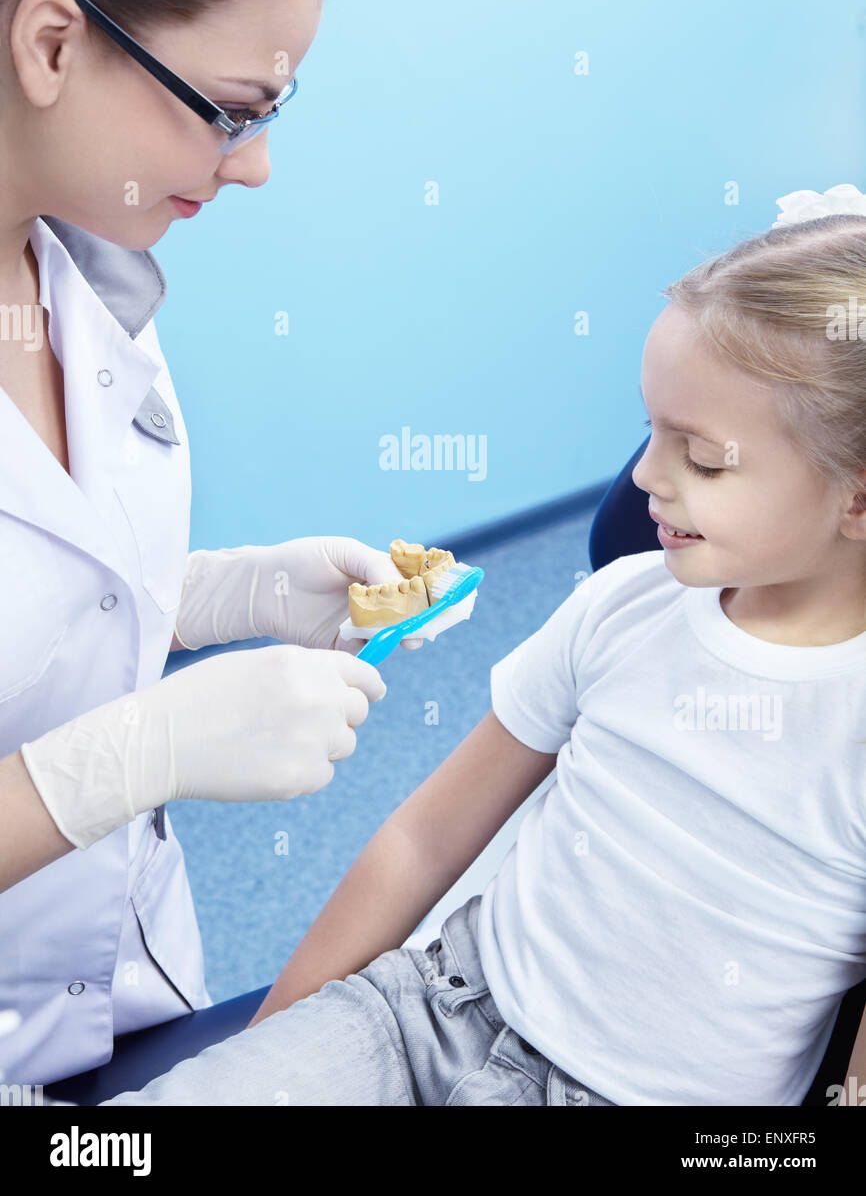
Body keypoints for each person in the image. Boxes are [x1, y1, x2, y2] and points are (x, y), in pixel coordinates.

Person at [98, 196, 866, 1106]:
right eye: (649, 431)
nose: (647, 477)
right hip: (435, 1008)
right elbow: (424, 840)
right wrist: (276, 1047)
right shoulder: (622, 607)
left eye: (701, 458)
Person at [0, 0, 420, 1088]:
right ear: (54, 43)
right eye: (232, 110)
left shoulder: (90, 280)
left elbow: (45, 601)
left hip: (116, 992)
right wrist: (136, 756)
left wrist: (219, 595)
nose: (255, 167)